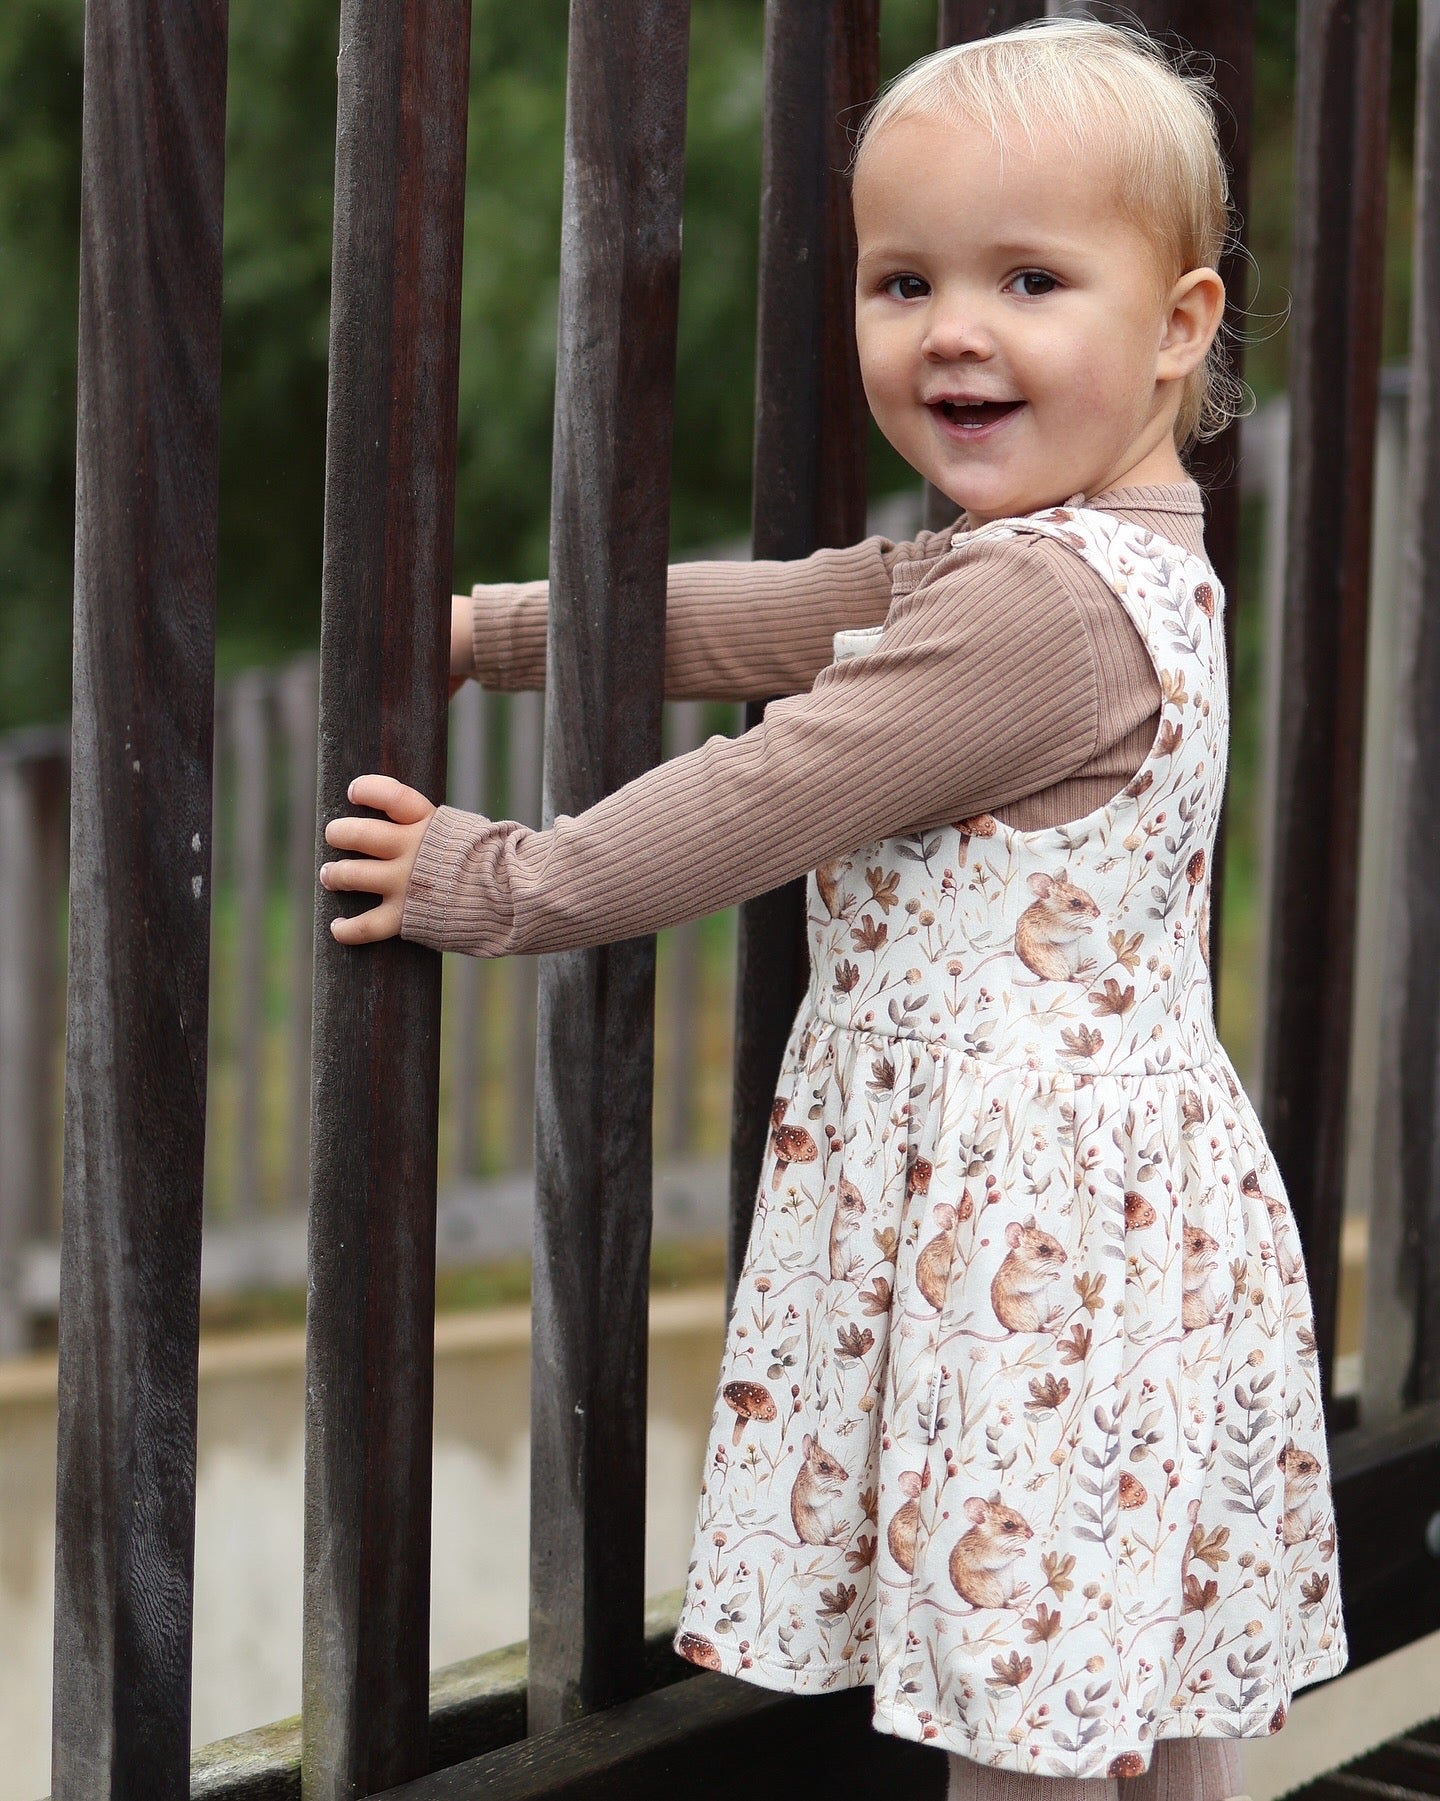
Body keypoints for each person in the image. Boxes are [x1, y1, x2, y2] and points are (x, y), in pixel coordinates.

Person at [319, 18, 1344, 1798]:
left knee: (1021, 1711)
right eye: (903, 280)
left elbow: (764, 791)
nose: (953, 328)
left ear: (1180, 325)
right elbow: (791, 611)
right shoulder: (1104, 560)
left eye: (1030, 279)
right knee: (1103, 1686)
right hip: (1113, 1216)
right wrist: (495, 631)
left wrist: (500, 880)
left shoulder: (1040, 610)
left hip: (1032, 1245)